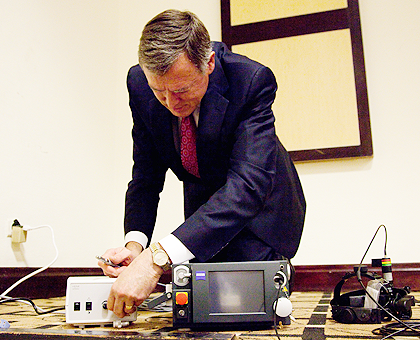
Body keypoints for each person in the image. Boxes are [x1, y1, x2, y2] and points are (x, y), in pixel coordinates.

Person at [99, 9, 306, 318]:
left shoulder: (250, 81)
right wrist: (135, 248)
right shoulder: (139, 85)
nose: (171, 103)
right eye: (160, 91)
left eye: (181, 90)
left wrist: (157, 258)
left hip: (260, 207)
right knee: (198, 310)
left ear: (208, 63)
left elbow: (246, 188)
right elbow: (145, 176)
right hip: (203, 204)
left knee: (248, 311)